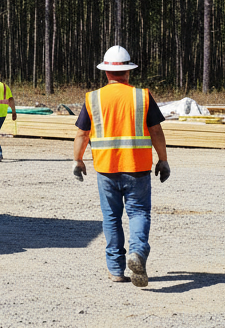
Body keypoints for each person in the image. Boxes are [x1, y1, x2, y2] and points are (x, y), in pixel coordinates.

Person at [72, 45, 170, 287]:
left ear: (106, 72)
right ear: (128, 72)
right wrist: (163, 159)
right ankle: (137, 253)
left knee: (111, 218)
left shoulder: (93, 98)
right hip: (137, 168)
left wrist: (78, 160)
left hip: (106, 169)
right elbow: (156, 130)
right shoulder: (142, 96)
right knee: (138, 213)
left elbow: (82, 133)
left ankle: (116, 269)